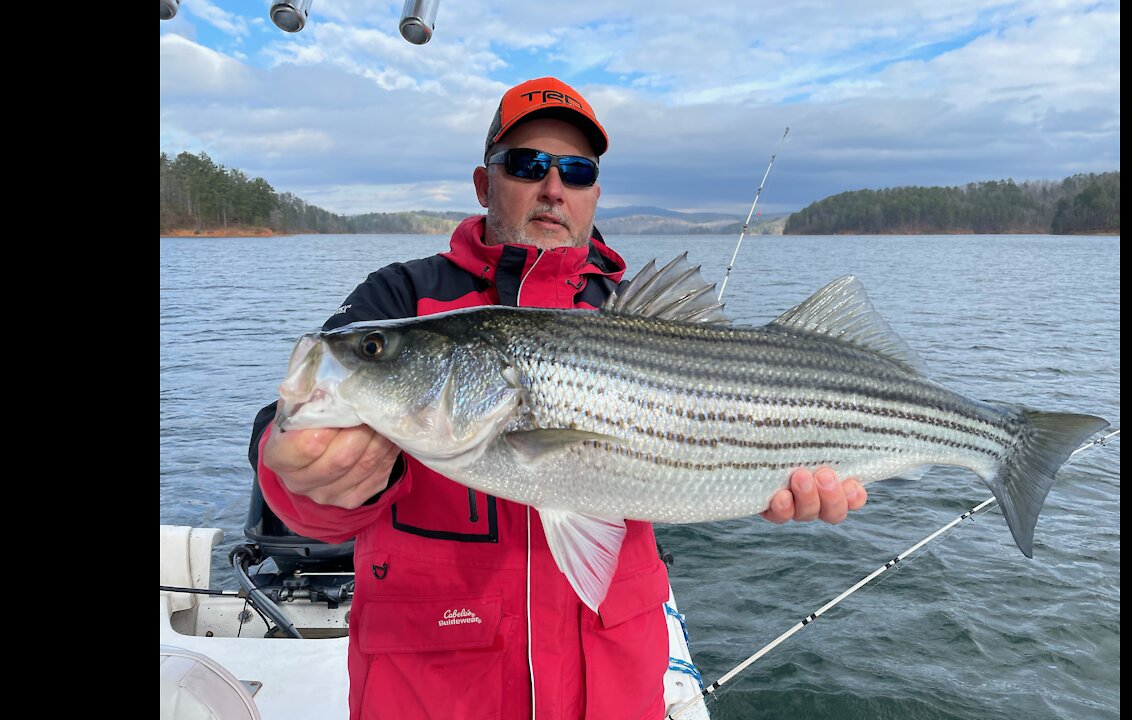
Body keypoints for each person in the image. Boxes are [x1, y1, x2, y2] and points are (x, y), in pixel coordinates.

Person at [248, 77, 867, 720]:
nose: (553, 187)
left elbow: (734, 445)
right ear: (485, 183)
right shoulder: (405, 301)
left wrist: (763, 477)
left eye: (575, 170)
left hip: (614, 689)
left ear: (594, 193)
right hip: (434, 692)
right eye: (527, 164)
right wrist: (302, 474)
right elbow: (291, 453)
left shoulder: (631, 315)